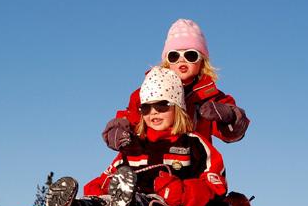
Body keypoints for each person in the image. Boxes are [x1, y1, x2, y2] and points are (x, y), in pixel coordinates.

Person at [37, 67, 265, 206]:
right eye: (146, 108)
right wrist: (97, 191)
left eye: (162, 105)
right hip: (127, 199)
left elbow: (214, 188)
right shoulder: (135, 145)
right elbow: (107, 176)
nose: (153, 112)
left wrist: (182, 192)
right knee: (99, 205)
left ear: (177, 108)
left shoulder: (194, 144)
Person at [103, 18, 250, 152]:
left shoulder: (210, 97)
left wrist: (229, 116)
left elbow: (232, 134)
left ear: (202, 62)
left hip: (195, 162)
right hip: (155, 157)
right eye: (174, 56)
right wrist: (118, 129)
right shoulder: (150, 91)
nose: (181, 60)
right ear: (167, 61)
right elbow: (131, 116)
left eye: (190, 55)